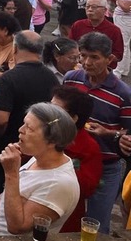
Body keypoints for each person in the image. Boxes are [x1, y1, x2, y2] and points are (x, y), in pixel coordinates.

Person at [64, 32, 131, 233]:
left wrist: (108, 132)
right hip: (71, 161)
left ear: (110, 59)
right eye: (83, 56)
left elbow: (128, 133)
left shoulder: (123, 94)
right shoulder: (71, 80)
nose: (86, 62)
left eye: (94, 57)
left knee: (96, 225)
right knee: (65, 217)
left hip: (106, 166)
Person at [0, 103, 79, 235]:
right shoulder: (40, 156)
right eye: (24, 124)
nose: (20, 130)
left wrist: (11, 173)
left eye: (29, 128)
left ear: (52, 141)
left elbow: (17, 227)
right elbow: (22, 190)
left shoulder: (59, 184)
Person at [0, 31, 59, 198]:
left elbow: (1, 120)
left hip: (9, 148)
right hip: (37, 146)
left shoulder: (9, 78)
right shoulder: (51, 78)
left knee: (1, 195)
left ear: (15, 48)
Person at [50, 86, 104, 233]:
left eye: (55, 110)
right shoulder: (42, 132)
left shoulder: (89, 148)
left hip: (64, 219)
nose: (48, 112)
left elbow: (87, 188)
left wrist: (58, 160)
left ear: (73, 118)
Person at [69, 0, 124, 66]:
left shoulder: (114, 30)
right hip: (79, 65)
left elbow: (118, 55)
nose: (90, 9)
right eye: (87, 7)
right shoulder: (78, 25)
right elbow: (70, 47)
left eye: (94, 7)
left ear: (104, 10)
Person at [106, 0, 131, 77]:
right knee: (125, 44)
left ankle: (119, 70)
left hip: (125, 20)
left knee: (123, 43)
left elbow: (126, 8)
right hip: (120, 18)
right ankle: (125, 68)